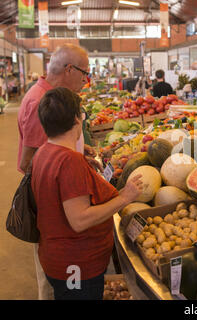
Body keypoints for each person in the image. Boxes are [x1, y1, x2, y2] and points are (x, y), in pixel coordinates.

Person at [31, 87, 143, 300]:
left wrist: (81, 162)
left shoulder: (44, 152)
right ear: (76, 120)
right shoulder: (69, 161)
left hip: (57, 258)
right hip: (76, 265)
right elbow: (79, 220)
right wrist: (125, 197)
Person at [16, 43, 101, 300]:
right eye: (84, 73)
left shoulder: (51, 98)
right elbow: (29, 161)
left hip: (63, 208)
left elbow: (50, 143)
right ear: (68, 69)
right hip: (56, 216)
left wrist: (78, 147)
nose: (86, 80)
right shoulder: (39, 102)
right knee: (58, 288)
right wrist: (70, 166)